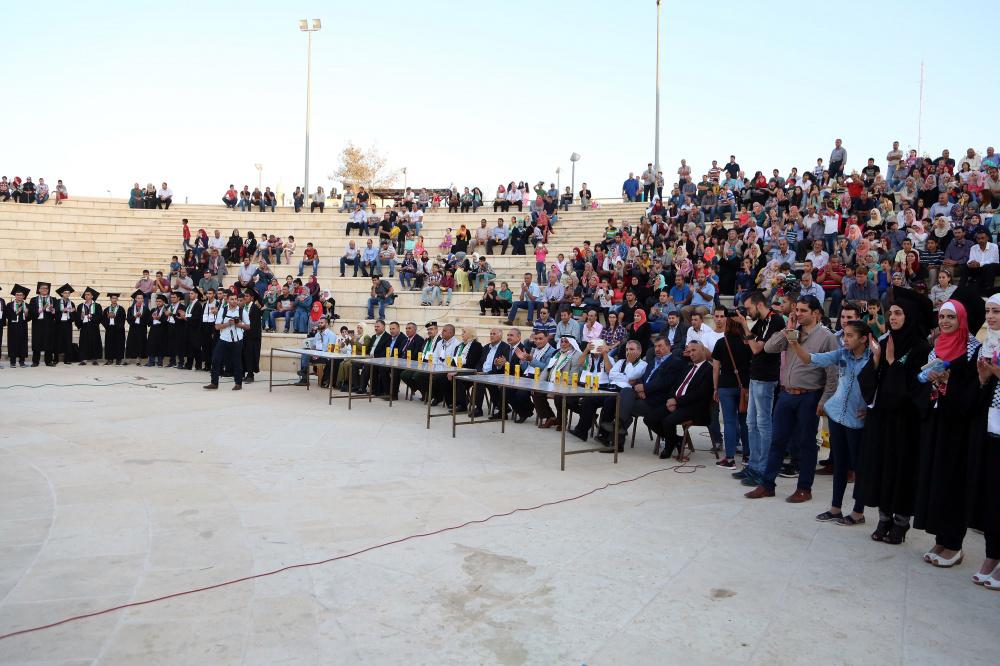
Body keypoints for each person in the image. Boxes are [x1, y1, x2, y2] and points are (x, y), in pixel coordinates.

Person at [857, 287, 934, 545]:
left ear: (909, 316)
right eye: (891, 313)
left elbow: (916, 389)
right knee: (883, 468)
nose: (893, 317)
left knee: (902, 470)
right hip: (883, 419)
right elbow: (868, 380)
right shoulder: (885, 341)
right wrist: (877, 361)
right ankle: (884, 518)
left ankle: (900, 523)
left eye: (899, 313)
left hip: (906, 422)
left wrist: (892, 363)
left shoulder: (921, 348)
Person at [913, 293, 984, 565]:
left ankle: (954, 543)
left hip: (959, 428)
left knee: (954, 483)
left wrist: (947, 383)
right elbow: (924, 388)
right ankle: (941, 539)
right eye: (942, 316)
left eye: (951, 317)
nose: (945, 321)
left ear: (962, 319)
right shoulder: (936, 348)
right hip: (937, 422)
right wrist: (935, 383)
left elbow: (974, 392)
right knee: (936, 480)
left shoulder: (973, 350)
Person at [788, 320, 872, 524]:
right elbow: (809, 359)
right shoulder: (842, 354)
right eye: (845, 335)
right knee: (839, 464)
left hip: (857, 419)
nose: (845, 340)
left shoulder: (873, 359)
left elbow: (881, 386)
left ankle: (858, 512)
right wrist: (794, 343)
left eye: (850, 336)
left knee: (858, 466)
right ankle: (835, 508)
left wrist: (872, 409)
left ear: (863, 339)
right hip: (837, 415)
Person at [596, 335, 686, 450]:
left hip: (657, 400)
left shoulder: (675, 362)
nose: (657, 349)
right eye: (655, 346)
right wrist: (639, 388)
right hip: (644, 396)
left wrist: (645, 388)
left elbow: (665, 383)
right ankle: (618, 433)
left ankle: (617, 436)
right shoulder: (653, 361)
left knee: (623, 405)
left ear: (669, 347)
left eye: (660, 346)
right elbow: (642, 379)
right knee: (626, 392)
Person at [734, 291, 786, 487]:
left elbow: (756, 348)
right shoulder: (763, 321)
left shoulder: (774, 320)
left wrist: (744, 324)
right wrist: (742, 325)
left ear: (759, 304)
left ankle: (763, 469)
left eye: (749, 308)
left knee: (763, 424)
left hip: (766, 378)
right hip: (756, 376)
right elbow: (748, 340)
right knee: (752, 422)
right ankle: (754, 465)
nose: (747, 312)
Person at [969, 294, 1000, 588]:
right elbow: (983, 389)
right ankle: (992, 555)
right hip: (991, 427)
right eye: (988, 311)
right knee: (992, 496)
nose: (990, 317)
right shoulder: (987, 344)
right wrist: (982, 378)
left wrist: (994, 371)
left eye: (996, 312)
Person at [647, 341, 715, 459]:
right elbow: (674, 386)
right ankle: (677, 440)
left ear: (703, 351)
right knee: (649, 419)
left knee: (668, 421)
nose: (691, 354)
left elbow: (700, 394)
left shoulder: (709, 369)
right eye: (689, 351)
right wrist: (671, 399)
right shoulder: (688, 367)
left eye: (694, 350)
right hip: (677, 403)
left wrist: (677, 402)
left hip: (694, 407)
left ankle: (669, 447)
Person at [712, 312, 751, 469]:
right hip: (745, 386)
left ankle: (729, 458)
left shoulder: (722, 342)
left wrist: (715, 388)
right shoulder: (748, 342)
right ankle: (747, 456)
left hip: (726, 385)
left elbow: (716, 368)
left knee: (729, 422)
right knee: (745, 422)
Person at [205, 292, 251, 390]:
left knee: (237, 362)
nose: (234, 301)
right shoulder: (222, 310)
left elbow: (248, 326)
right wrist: (228, 324)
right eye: (232, 299)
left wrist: (238, 324)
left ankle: (238, 383)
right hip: (224, 338)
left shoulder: (242, 311)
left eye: (235, 299)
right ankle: (214, 383)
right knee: (215, 360)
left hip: (237, 340)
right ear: (228, 300)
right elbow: (217, 326)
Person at [294, 316, 338, 387]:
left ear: (327, 324)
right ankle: (304, 378)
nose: (319, 324)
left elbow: (330, 350)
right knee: (305, 353)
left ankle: (304, 373)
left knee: (307, 355)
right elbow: (314, 346)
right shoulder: (317, 334)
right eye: (319, 323)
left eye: (321, 323)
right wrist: (311, 350)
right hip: (316, 354)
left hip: (325, 357)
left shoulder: (331, 335)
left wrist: (318, 355)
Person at [29, 282, 57, 366]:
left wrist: (52, 310)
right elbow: (31, 312)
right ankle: (35, 361)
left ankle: (48, 361)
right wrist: (42, 309)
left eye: (46, 288)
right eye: (43, 288)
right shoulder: (34, 300)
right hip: (37, 324)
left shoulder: (53, 299)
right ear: (39, 290)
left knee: (49, 341)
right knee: (37, 342)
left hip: (49, 324)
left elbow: (57, 313)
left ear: (48, 290)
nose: (45, 290)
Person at [5, 284, 30, 366]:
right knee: (12, 343)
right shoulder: (10, 305)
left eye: (21, 295)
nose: (19, 296)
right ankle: (12, 361)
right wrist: (16, 312)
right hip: (13, 327)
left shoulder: (26, 305)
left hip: (23, 326)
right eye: (17, 295)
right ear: (15, 295)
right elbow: (7, 316)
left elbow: (29, 318)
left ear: (24, 296)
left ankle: (22, 361)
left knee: (23, 343)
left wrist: (26, 314)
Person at [100, 292, 126, 365]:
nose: (114, 299)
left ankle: (118, 359)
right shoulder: (107, 309)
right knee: (109, 344)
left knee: (119, 344)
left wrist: (115, 317)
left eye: (115, 298)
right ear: (110, 299)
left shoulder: (121, 309)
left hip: (119, 329)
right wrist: (108, 318)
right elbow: (103, 319)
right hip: (109, 328)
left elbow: (123, 318)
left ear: (117, 299)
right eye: (113, 298)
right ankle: (109, 359)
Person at [125, 290, 148, 365]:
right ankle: (128, 359)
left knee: (140, 343)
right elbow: (128, 319)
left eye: (141, 298)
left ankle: (139, 359)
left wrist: (142, 317)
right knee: (131, 343)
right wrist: (135, 316)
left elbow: (148, 320)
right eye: (138, 298)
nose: (140, 300)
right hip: (133, 327)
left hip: (142, 328)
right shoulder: (131, 309)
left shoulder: (146, 309)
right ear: (135, 299)